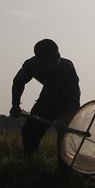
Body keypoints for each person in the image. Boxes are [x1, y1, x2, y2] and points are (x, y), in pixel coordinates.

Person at [10, 39, 81, 170]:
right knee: (29, 131)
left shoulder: (68, 68)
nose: (56, 62)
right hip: (47, 98)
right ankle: (29, 162)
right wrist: (15, 105)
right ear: (40, 61)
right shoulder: (31, 65)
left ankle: (64, 173)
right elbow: (18, 82)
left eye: (57, 57)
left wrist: (65, 118)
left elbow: (74, 100)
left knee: (63, 140)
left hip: (66, 103)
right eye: (51, 62)